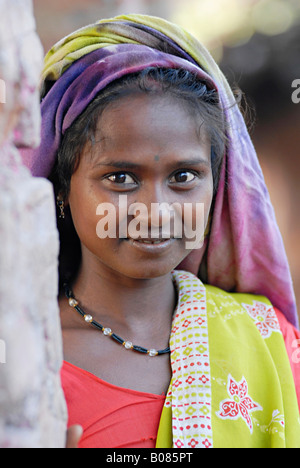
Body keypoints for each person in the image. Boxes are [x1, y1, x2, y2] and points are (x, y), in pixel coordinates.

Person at [22, 14, 300, 448]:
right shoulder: (24, 362)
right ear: (62, 186)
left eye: (184, 177)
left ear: (216, 184)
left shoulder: (269, 342)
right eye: (120, 178)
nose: (156, 211)